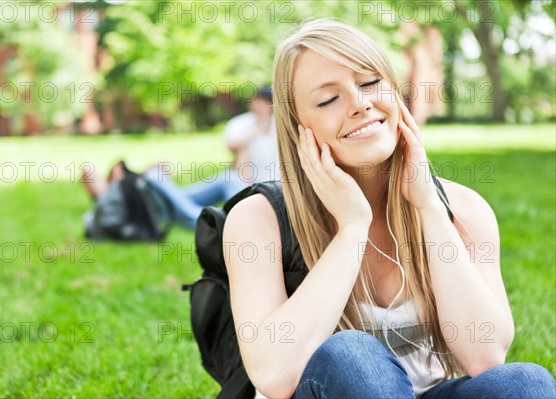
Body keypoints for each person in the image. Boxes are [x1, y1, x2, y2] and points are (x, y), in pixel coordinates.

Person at [223, 19, 556, 398]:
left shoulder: (463, 210)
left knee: (526, 383)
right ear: (298, 127)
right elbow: (275, 375)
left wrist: (429, 206)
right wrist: (352, 228)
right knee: (350, 355)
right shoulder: (258, 220)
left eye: (369, 83)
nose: (360, 104)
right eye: (329, 99)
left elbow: (485, 357)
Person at [82, 86, 279, 232]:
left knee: (231, 178)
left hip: (167, 196)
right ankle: (215, 224)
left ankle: (233, 217)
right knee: (154, 176)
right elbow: (87, 173)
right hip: (155, 201)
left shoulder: (124, 190)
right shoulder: (109, 204)